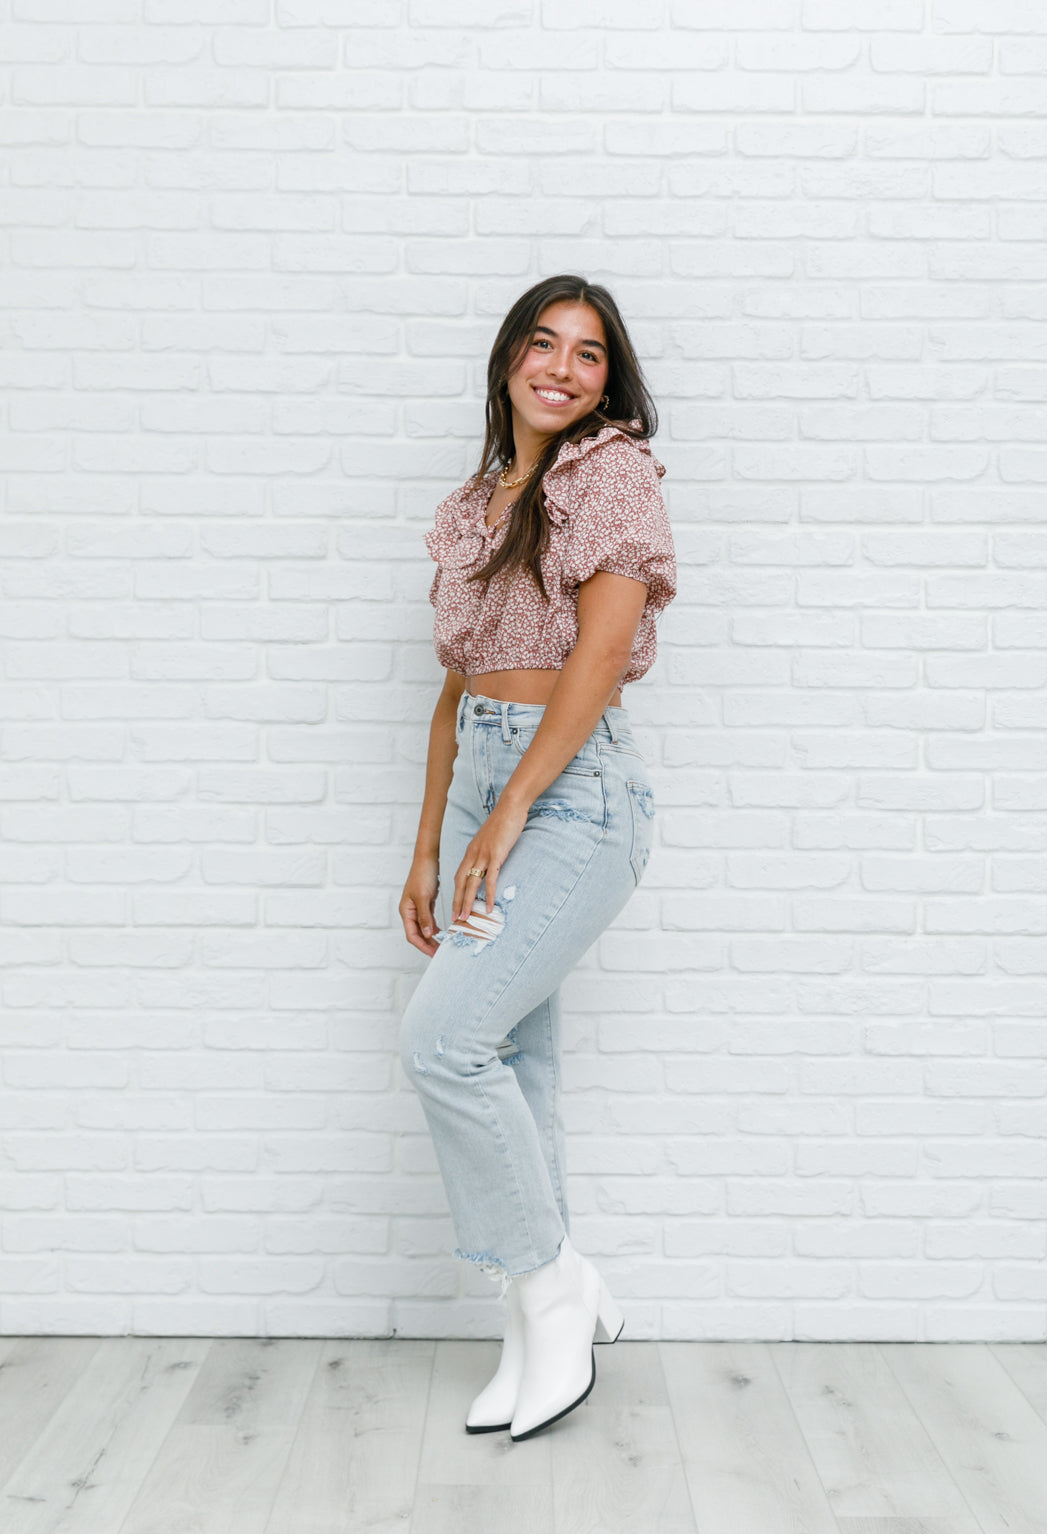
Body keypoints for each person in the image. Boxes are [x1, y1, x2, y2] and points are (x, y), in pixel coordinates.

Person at [397, 273, 677, 1442]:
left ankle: (554, 1284)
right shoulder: (481, 498)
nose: (563, 369)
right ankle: (537, 1316)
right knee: (511, 1056)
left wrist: (509, 813)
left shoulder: (607, 475)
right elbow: (455, 691)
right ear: (508, 356)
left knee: (443, 1043)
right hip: (482, 787)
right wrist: (430, 844)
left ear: (610, 379)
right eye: (543, 344)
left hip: (572, 798)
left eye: (590, 354)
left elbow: (597, 661)